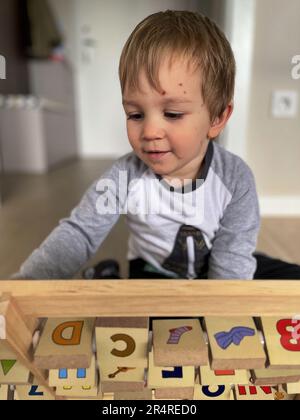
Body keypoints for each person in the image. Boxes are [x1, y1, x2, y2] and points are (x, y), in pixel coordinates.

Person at [10, 10, 300, 281]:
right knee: (137, 319)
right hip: (154, 271)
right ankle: (108, 277)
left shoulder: (235, 179)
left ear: (217, 118)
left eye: (172, 114)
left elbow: (233, 261)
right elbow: (80, 233)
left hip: (220, 266)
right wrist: (25, 285)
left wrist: (220, 315)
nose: (149, 130)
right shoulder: (125, 176)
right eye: (135, 114)